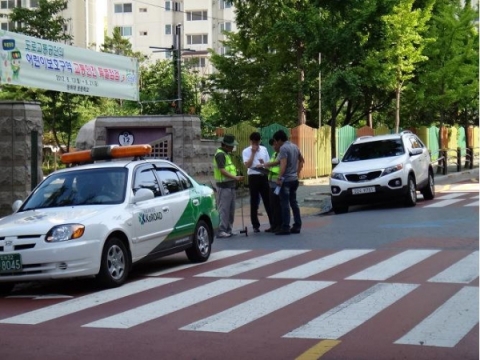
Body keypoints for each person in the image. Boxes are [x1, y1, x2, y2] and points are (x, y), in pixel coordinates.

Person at [272, 130, 305, 235]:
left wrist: (279, 177)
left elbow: (283, 164)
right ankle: (297, 225)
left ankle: (285, 226)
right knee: (294, 202)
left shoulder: (283, 148)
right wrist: (297, 172)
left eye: (276, 141)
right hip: (294, 179)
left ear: (280, 139)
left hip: (286, 180)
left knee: (285, 204)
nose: (276, 143)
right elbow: (302, 160)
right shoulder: (295, 146)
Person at [213, 134, 244, 238]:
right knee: (224, 209)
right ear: (226, 145)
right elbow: (222, 170)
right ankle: (221, 230)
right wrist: (235, 178)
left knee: (231, 209)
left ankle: (228, 229)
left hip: (230, 185)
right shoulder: (220, 155)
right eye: (231, 146)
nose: (233, 147)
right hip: (224, 186)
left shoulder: (226, 154)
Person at [242, 131, 274, 233]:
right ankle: (255, 225)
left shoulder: (264, 149)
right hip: (253, 177)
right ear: (250, 141)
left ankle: (273, 223)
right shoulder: (246, 151)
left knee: (268, 200)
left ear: (260, 141)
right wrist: (253, 152)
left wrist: (263, 164)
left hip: (263, 176)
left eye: (257, 142)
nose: (255, 144)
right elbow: (247, 165)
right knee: (254, 202)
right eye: (253, 142)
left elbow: (268, 163)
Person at [262, 138, 282, 233]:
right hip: (271, 182)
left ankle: (279, 225)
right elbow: (270, 165)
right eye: (272, 145)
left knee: (277, 205)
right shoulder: (274, 154)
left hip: (277, 182)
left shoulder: (282, 154)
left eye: (275, 144)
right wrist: (264, 165)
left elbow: (279, 166)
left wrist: (266, 165)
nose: (274, 147)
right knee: (272, 205)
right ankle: (274, 225)